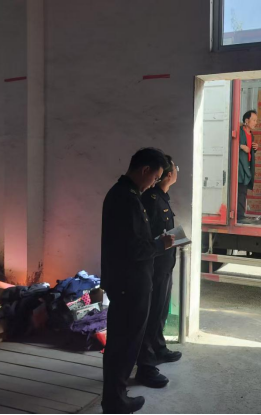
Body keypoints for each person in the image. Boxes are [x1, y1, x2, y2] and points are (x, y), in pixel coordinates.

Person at [101, 148, 175, 415]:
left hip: (128, 281)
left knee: (123, 341)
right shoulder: (127, 199)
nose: (154, 183)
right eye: (154, 177)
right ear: (144, 170)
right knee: (124, 343)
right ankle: (115, 401)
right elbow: (133, 249)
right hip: (129, 283)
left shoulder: (125, 194)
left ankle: (115, 397)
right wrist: (160, 244)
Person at [138, 155, 182, 389]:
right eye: (176, 169)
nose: (177, 172)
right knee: (152, 313)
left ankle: (158, 348)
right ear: (168, 175)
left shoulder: (162, 197)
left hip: (165, 264)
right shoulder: (151, 199)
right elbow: (148, 235)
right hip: (155, 266)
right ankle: (146, 363)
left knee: (161, 311)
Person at [237, 110, 259, 223]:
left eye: (256, 120)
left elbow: (250, 150)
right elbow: (230, 143)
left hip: (247, 166)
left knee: (243, 191)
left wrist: (255, 148)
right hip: (239, 166)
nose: (255, 123)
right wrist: (241, 146)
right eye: (253, 120)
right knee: (240, 190)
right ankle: (239, 216)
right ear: (246, 120)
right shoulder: (239, 131)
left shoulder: (251, 135)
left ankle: (240, 215)